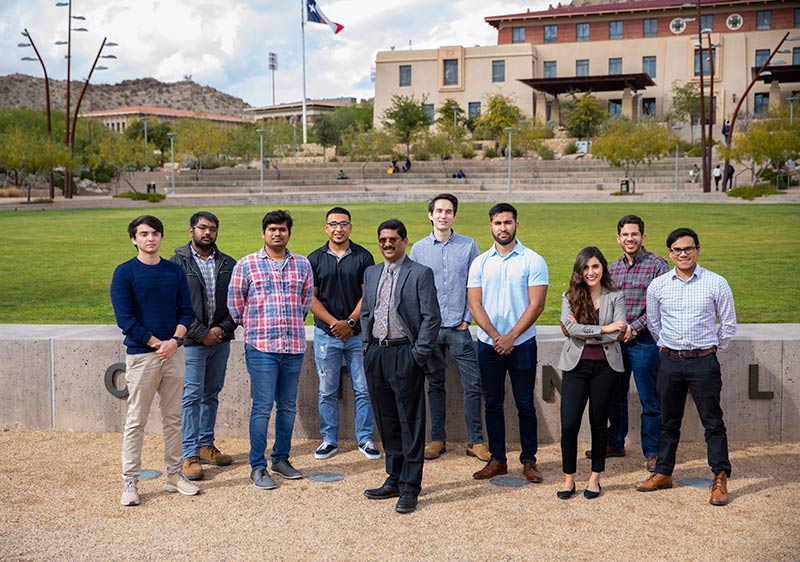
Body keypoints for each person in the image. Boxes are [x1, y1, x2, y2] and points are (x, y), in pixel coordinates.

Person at [636, 228, 737, 506]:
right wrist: (670, 349)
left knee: (712, 422)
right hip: (669, 361)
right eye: (677, 250)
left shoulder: (716, 283)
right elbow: (654, 325)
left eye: (688, 248)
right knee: (668, 422)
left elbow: (728, 325)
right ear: (670, 253)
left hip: (703, 361)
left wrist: (710, 349)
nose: (683, 254)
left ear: (698, 249)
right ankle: (664, 472)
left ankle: (719, 476)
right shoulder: (658, 286)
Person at [111, 215, 198, 506]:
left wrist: (174, 341)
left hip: (173, 354)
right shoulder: (124, 273)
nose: (151, 238)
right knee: (136, 420)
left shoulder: (174, 272)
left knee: (173, 419)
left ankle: (174, 476)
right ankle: (130, 482)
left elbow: (187, 311)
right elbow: (125, 319)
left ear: (161, 237)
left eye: (155, 233)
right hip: (142, 357)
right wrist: (155, 343)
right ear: (134, 239)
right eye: (144, 234)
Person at [361, 219, 444, 514]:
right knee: (387, 420)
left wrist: (417, 356)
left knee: (411, 421)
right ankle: (393, 478)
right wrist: (366, 347)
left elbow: (431, 318)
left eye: (393, 239)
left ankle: (410, 487)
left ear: (404, 241)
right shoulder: (371, 272)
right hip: (376, 355)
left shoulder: (420, 273)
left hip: (405, 354)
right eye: (382, 240)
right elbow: (367, 312)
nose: (387, 244)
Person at [227, 210, 313, 490]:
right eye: (272, 229)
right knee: (262, 408)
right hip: (261, 347)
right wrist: (257, 325)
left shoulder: (302, 265)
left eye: (283, 229)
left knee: (288, 407)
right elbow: (235, 305)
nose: (278, 233)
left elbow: (305, 302)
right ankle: (257, 466)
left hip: (293, 346)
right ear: (263, 233)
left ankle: (281, 459)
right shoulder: (247, 264)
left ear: (289, 233)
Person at [467, 203, 549, 483]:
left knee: (525, 403)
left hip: (522, 343)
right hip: (489, 345)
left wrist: (511, 336)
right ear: (490, 226)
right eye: (498, 223)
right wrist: (494, 336)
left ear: (516, 225)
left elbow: (536, 305)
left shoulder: (532, 260)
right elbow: (474, 304)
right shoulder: (480, 262)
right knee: (492, 403)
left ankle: (529, 460)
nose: (503, 227)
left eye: (508, 222)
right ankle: (498, 459)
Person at [409, 194, 488, 462]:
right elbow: (413, 289)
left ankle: (476, 441)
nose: (444, 215)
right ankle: (437, 439)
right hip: (430, 329)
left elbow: (476, 284)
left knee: (473, 384)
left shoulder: (468, 246)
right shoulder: (419, 249)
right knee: (434, 385)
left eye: (449, 211)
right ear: (430, 214)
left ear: (454, 216)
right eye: (439, 210)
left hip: (458, 326)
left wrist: (468, 317)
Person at [593, 216, 669, 471]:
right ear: (618, 238)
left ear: (643, 237)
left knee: (649, 398)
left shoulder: (658, 265)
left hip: (644, 341)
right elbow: (607, 304)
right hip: (617, 341)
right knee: (615, 395)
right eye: (625, 235)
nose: (630, 239)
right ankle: (615, 442)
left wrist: (634, 328)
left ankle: (652, 451)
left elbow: (661, 306)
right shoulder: (612, 268)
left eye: (634, 234)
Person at [307, 207, 379, 461]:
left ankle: (365, 438)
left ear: (350, 227)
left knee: (364, 388)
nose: (339, 228)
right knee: (326, 389)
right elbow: (310, 298)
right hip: (326, 335)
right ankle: (329, 439)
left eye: (343, 224)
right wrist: (335, 323)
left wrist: (349, 322)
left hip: (358, 334)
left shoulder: (363, 256)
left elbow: (367, 294)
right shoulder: (314, 258)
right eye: (333, 224)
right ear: (326, 228)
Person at [170, 211, 237, 481]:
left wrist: (222, 329)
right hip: (193, 342)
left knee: (212, 393)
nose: (207, 232)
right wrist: (201, 333)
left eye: (212, 228)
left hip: (220, 340)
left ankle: (206, 445)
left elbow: (237, 303)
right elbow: (174, 305)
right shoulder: (177, 263)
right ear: (191, 231)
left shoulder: (228, 263)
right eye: (202, 228)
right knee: (191, 396)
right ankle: (189, 453)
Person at [558, 247, 626, 500]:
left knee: (599, 424)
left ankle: (595, 478)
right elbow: (569, 327)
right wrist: (603, 328)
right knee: (569, 424)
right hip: (576, 367)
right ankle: (568, 479)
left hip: (606, 368)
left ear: (603, 268)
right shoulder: (570, 296)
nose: (590, 272)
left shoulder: (615, 296)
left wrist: (584, 330)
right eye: (585, 267)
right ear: (579, 271)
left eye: (595, 266)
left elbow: (618, 333)